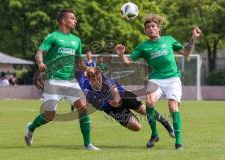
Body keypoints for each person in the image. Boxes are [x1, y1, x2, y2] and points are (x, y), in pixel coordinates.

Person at [115, 14, 201, 150]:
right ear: (145, 31)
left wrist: (193, 38)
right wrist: (121, 55)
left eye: (153, 26)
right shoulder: (143, 46)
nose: (150, 29)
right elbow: (127, 62)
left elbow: (186, 52)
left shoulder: (168, 40)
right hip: (156, 79)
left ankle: (178, 142)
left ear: (159, 28)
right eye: (148, 27)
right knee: (149, 102)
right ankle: (154, 134)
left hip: (173, 79)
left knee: (173, 108)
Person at [25, 9, 99, 150]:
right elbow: (40, 52)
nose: (75, 20)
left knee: (83, 107)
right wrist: (40, 63)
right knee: (49, 115)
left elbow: (78, 62)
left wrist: (87, 69)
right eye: (72, 18)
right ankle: (31, 127)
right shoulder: (53, 36)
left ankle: (87, 144)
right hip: (53, 81)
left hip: (70, 81)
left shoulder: (77, 40)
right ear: (64, 21)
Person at [76, 67, 175, 137]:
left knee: (145, 111)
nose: (97, 82)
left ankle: (167, 125)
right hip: (111, 109)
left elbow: (114, 91)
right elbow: (95, 105)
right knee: (137, 127)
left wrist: (116, 99)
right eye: (94, 80)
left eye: (99, 78)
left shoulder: (106, 80)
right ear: (89, 79)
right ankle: (131, 115)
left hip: (123, 97)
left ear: (101, 75)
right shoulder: (85, 87)